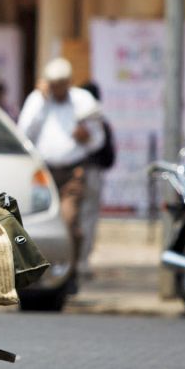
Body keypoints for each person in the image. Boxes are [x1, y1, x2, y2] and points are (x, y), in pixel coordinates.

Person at [17, 58, 104, 289]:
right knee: (37, 223)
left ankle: (69, 272)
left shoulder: (82, 101)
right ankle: (37, 271)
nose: (58, 88)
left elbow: (98, 140)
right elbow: (24, 133)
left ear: (69, 82)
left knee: (68, 221)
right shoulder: (38, 101)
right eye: (53, 83)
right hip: (43, 174)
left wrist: (86, 138)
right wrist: (42, 102)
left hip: (72, 172)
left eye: (62, 83)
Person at [78, 81, 115, 279]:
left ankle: (77, 262)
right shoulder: (100, 120)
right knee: (87, 218)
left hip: (78, 172)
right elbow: (109, 157)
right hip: (91, 173)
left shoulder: (76, 118)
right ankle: (81, 262)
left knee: (78, 217)